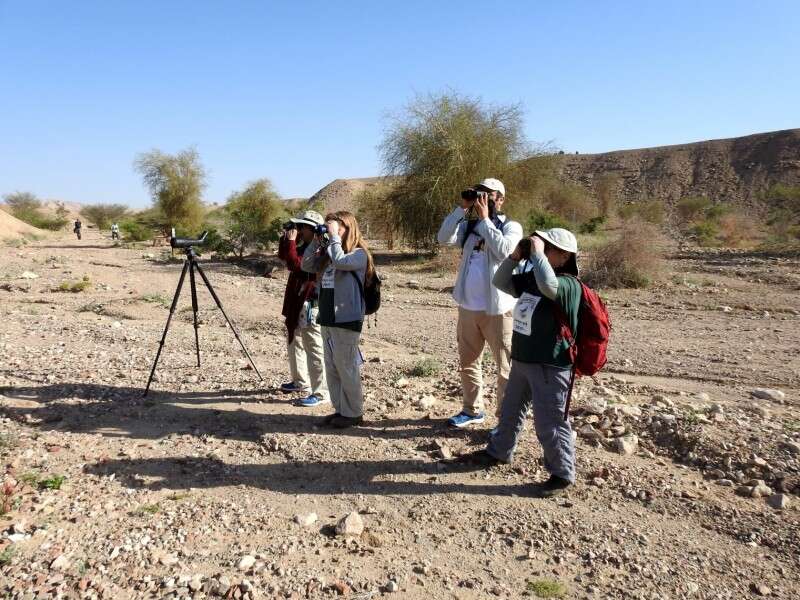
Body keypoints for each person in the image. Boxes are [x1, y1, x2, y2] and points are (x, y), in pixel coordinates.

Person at [464, 228, 582, 498]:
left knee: (550, 422)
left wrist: (538, 255)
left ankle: (562, 474)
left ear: (564, 256)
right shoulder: (533, 279)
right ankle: (499, 451)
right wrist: (515, 257)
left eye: (548, 248)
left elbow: (550, 287)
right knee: (510, 411)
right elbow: (500, 281)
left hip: (550, 364)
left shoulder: (568, 285)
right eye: (541, 247)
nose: (540, 251)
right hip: (523, 359)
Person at [437, 178, 522, 428]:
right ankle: (472, 410)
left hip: (498, 309)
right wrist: (461, 209)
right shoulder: (470, 226)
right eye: (479, 193)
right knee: (468, 363)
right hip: (468, 307)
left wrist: (486, 220)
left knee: (504, 367)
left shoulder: (511, 226)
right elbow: (443, 238)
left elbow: (504, 250)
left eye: (489, 194)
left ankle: (505, 422)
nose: (482, 198)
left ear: (501, 199)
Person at [302, 211, 374, 429]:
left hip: (347, 318)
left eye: (337, 227)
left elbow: (341, 261)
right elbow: (306, 265)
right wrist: (316, 241)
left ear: (348, 228)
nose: (332, 231)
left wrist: (333, 238)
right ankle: (341, 409)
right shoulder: (330, 253)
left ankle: (354, 412)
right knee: (332, 366)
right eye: (330, 227)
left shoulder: (359, 255)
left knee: (346, 366)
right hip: (327, 317)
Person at [277, 210, 329, 407]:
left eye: (301, 227)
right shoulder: (305, 245)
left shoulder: (319, 247)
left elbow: (296, 265)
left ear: (312, 229)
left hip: (310, 300)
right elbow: (284, 257)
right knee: (295, 340)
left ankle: (321, 392)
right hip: (297, 299)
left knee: (313, 345)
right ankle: (300, 381)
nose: (298, 230)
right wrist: (286, 239)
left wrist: (291, 242)